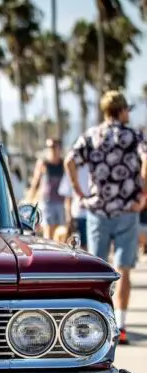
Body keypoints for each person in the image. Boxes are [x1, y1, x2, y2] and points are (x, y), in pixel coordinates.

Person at [64, 90, 147, 345]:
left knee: (99, 272)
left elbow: (70, 161)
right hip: (126, 209)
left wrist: (79, 192)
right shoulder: (133, 136)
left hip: (98, 209)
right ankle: (120, 326)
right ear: (121, 111)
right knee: (124, 269)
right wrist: (142, 193)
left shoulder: (91, 135)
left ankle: (99, 327)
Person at [27, 138, 66, 240]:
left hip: (61, 202)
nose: (51, 149)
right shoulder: (43, 163)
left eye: (53, 146)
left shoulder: (63, 164)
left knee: (61, 231)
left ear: (59, 148)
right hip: (47, 201)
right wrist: (30, 198)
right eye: (49, 147)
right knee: (48, 231)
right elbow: (36, 181)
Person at [58, 164, 89, 249]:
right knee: (82, 249)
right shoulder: (72, 168)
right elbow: (68, 197)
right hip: (79, 216)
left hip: (96, 216)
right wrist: (68, 217)